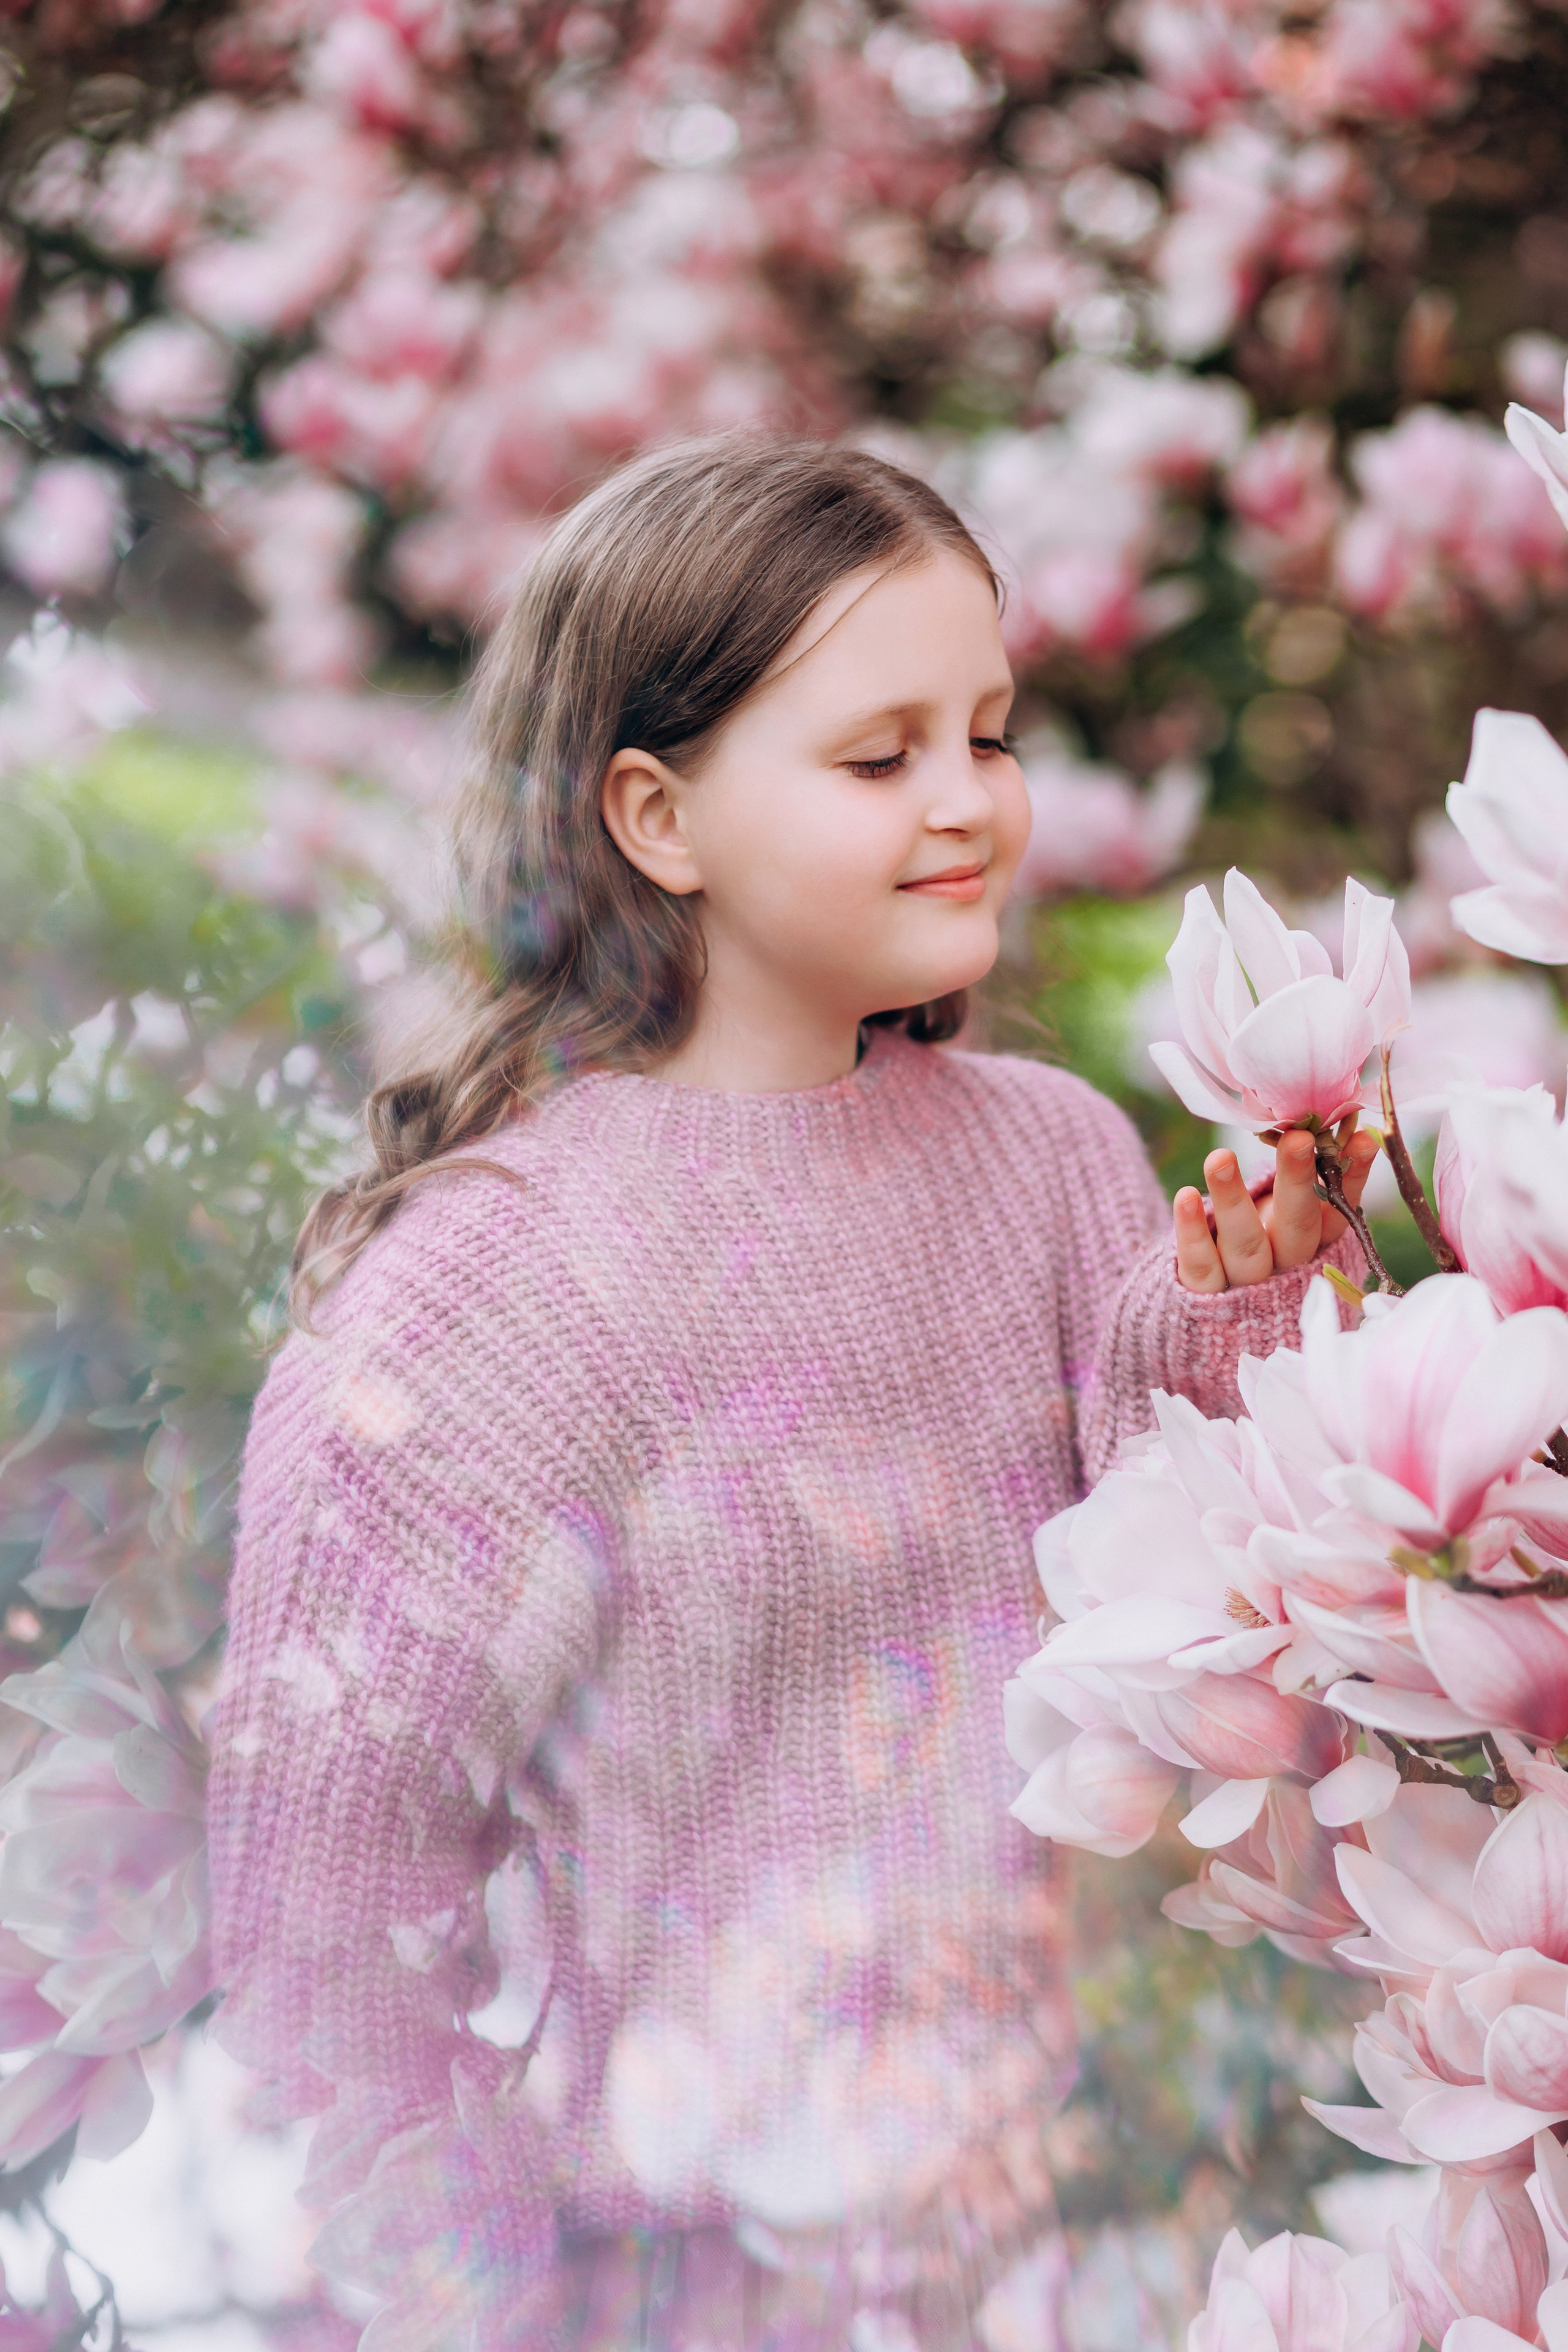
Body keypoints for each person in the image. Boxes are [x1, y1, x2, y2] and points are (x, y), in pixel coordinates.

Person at [206, 437, 1375, 2351]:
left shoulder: (1055, 1155)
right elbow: (323, 1898)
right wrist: (483, 2286)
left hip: (1100, 2227)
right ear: (659, 817)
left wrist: (1244, 1313)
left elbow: (1173, 1605)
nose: (971, 806)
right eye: (878, 754)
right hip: (691, 2279)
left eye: (987, 735)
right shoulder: (490, 1289)